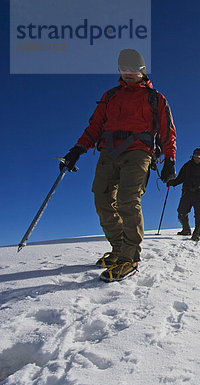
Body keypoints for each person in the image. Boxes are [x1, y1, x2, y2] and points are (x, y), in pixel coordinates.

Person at [60, 49, 177, 282]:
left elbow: (167, 132)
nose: (128, 73)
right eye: (124, 69)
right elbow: (94, 126)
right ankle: (119, 248)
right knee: (101, 198)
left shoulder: (156, 98)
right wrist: (78, 149)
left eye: (133, 69)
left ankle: (130, 257)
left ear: (142, 70)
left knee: (128, 199)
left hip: (138, 153)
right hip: (108, 152)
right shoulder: (110, 96)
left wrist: (170, 159)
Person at [167, 148, 200, 241]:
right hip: (187, 192)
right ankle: (186, 229)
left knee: (199, 214)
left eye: (199, 157)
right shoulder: (187, 165)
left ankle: (197, 233)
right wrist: (172, 183)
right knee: (181, 212)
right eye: (195, 156)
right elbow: (180, 178)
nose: (196, 158)